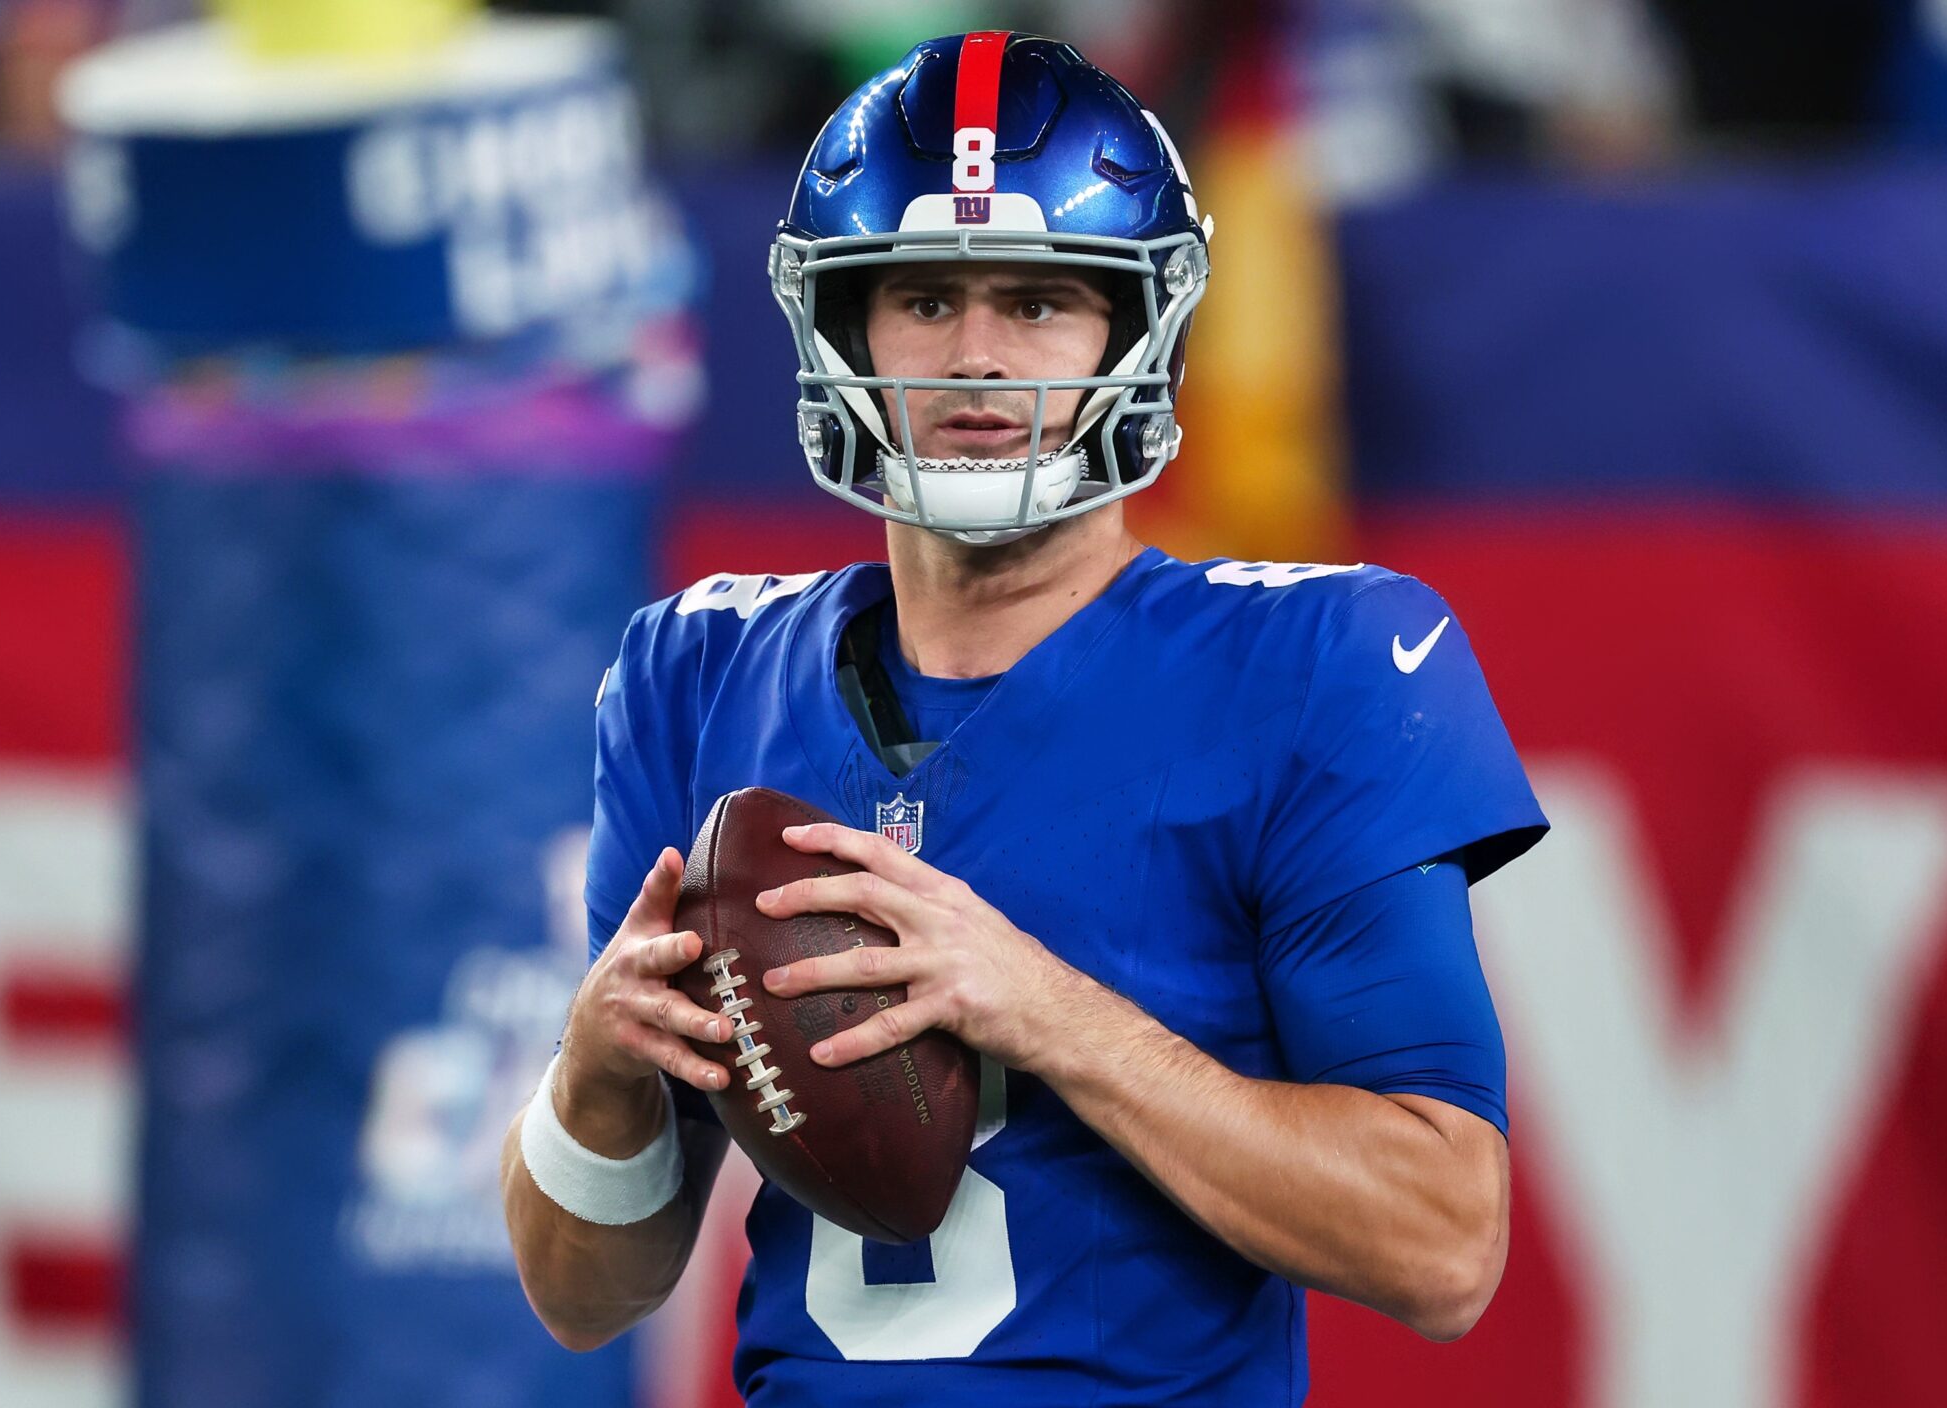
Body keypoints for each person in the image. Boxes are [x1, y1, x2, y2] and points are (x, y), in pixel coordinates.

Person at [501, 31, 1547, 1404]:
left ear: (1138, 324)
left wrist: (1042, 1009)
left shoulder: (1317, 664)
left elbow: (1442, 1240)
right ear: (844, 327)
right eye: (924, 301)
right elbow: (587, 1296)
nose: (981, 359)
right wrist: (594, 1077)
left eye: (1040, 300)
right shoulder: (697, 672)